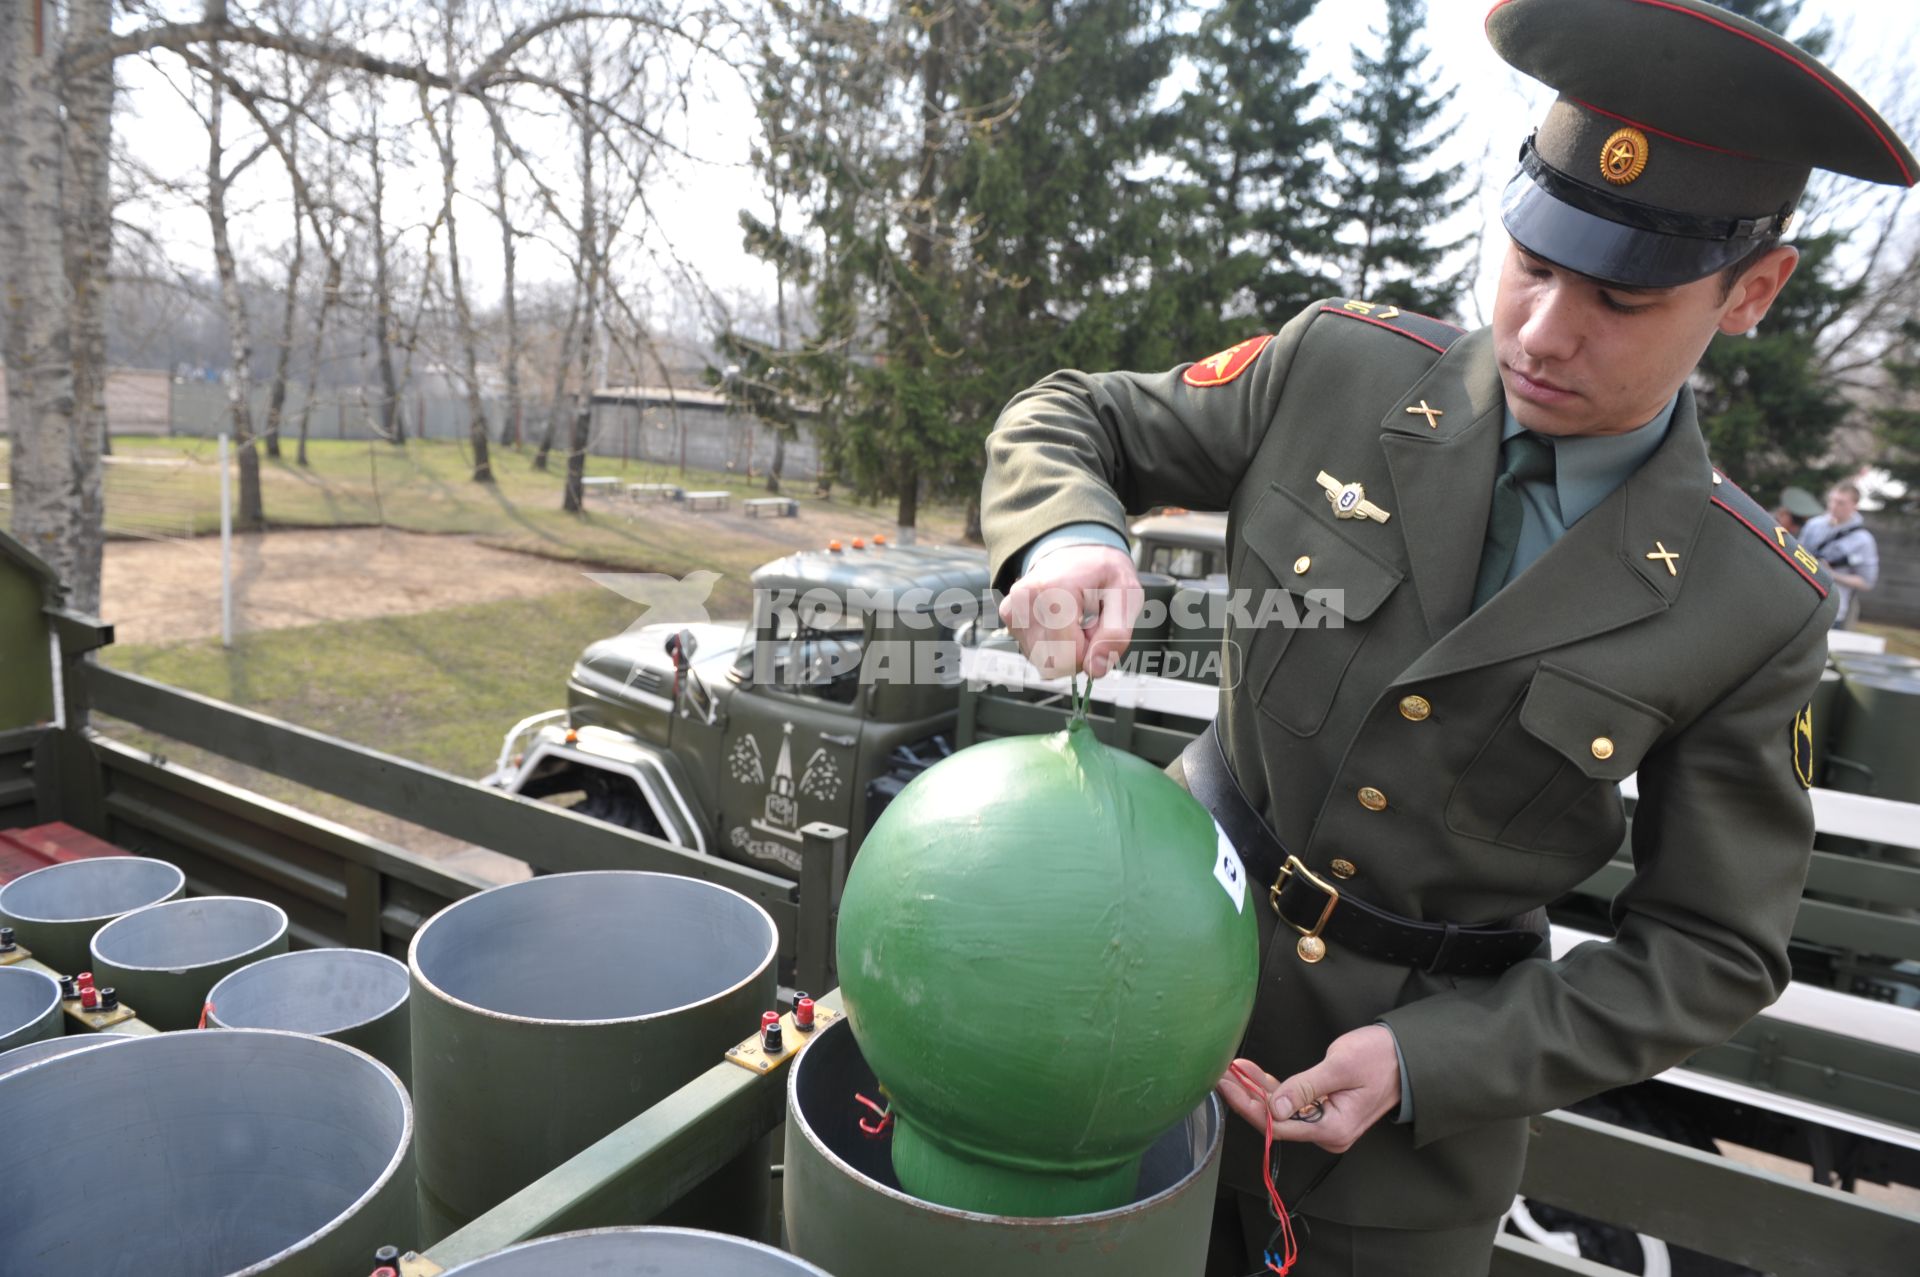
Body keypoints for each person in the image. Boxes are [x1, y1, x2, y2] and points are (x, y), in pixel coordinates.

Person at [977, 1, 1915, 1273]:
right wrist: (1067, 534)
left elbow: (1710, 948)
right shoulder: (1335, 370)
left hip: (1406, 1149)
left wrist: (1427, 1063)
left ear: (1751, 290)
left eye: (1621, 300)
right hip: (1137, 991)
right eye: (1531, 261)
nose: (1541, 331)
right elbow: (1075, 417)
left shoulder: (1751, 601)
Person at [1799, 480, 1879, 627]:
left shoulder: (1863, 540)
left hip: (1832, 609)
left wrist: (1831, 574)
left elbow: (1867, 582)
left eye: (1841, 503)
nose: (1833, 506)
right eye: (1832, 500)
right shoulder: (1813, 525)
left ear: (1855, 505)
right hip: (1801, 601)